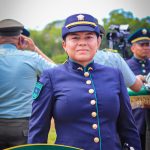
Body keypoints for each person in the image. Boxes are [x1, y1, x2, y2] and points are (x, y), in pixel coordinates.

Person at [28, 13, 141, 150]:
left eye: (89, 37)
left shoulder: (114, 75)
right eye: (75, 38)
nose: (82, 43)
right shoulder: (50, 77)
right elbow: (38, 132)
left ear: (98, 42)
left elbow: (128, 128)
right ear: (64, 45)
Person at [0, 19, 56, 149]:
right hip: (24, 126)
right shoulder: (31, 58)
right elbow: (59, 73)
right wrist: (35, 49)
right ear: (20, 38)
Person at [126, 28, 150, 150]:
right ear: (133, 48)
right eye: (142, 45)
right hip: (135, 119)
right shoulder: (125, 66)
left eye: (148, 44)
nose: (146, 47)